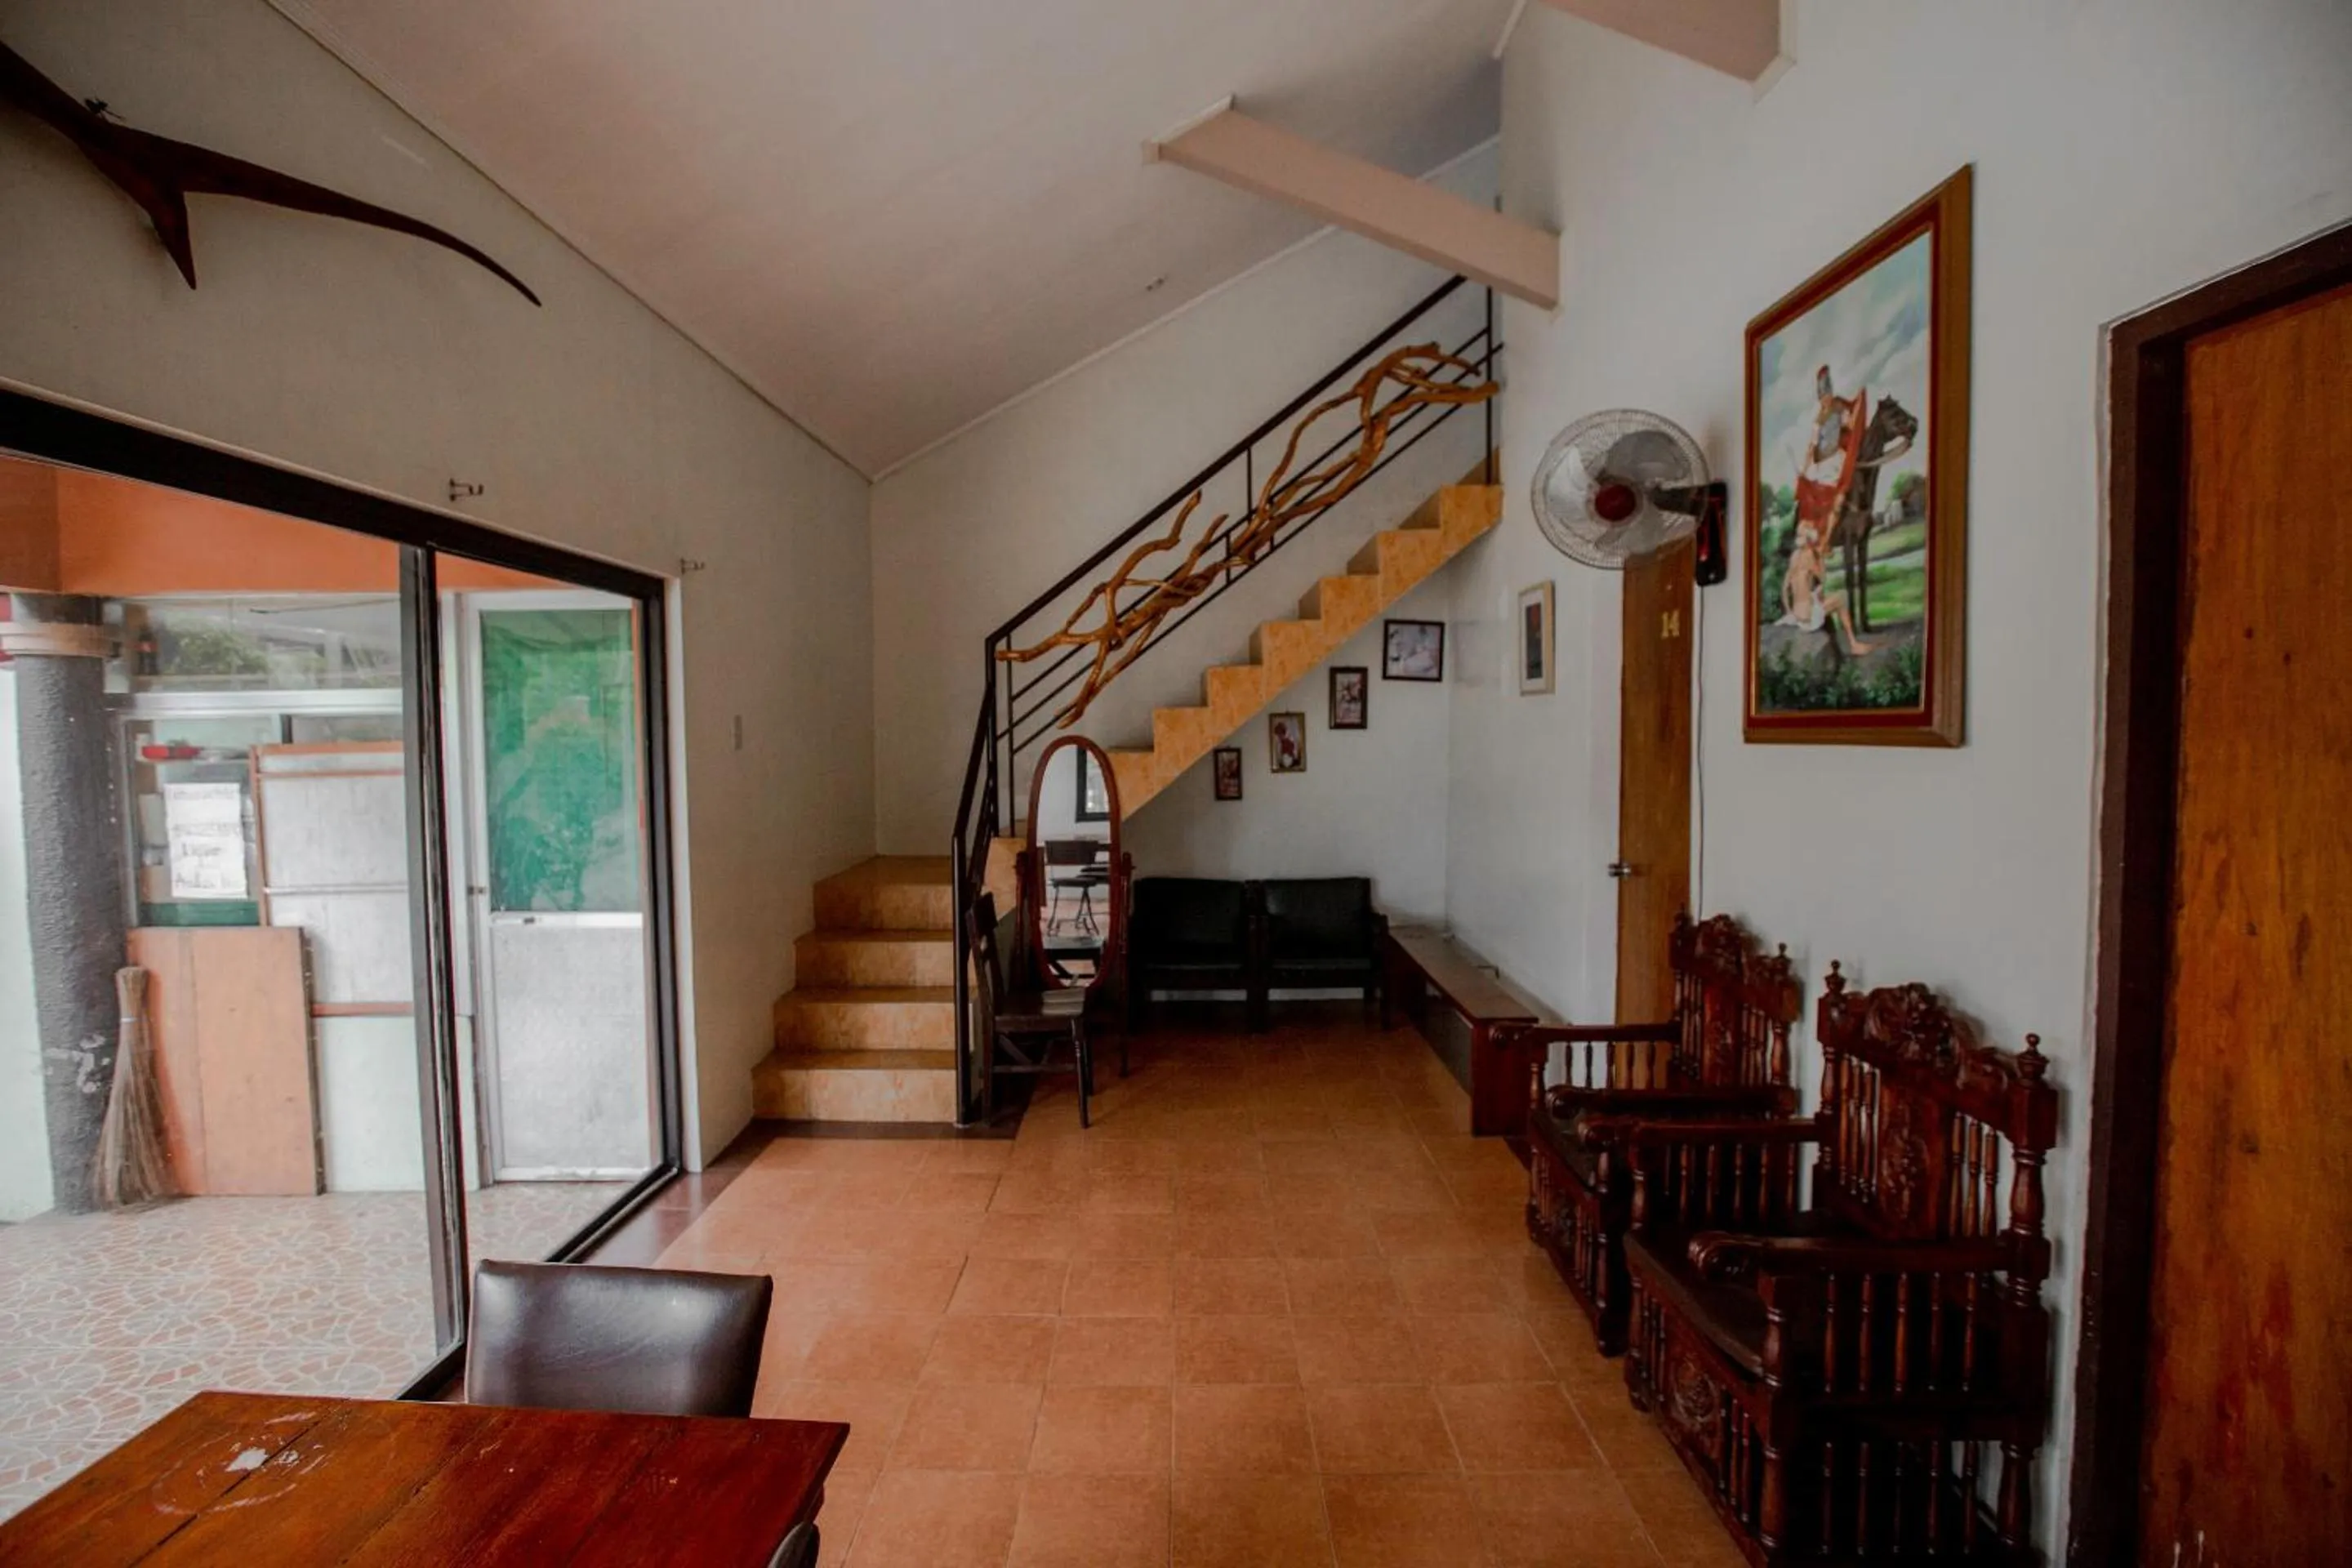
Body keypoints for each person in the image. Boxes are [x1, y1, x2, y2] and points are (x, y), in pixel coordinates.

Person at [1777, 519, 1875, 657]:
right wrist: (1821, 558)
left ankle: (1844, 643)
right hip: (1807, 617)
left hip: (1796, 614)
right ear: (1810, 539)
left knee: (1821, 598)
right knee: (1840, 600)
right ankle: (1853, 644)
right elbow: (1822, 579)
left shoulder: (1795, 556)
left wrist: (1789, 611)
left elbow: (1784, 588)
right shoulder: (1809, 555)